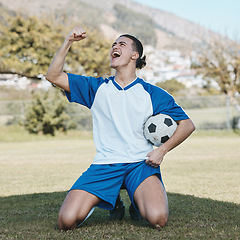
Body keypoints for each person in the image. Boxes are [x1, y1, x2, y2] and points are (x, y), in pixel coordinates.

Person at [45, 25, 195, 231]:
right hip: (105, 165)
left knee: (158, 219)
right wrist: (68, 42)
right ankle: (113, 200)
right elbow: (53, 76)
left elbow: (187, 125)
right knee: (66, 221)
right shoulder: (95, 88)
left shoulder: (153, 93)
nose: (114, 47)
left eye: (121, 44)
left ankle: (136, 202)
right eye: (113, 44)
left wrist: (162, 150)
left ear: (135, 55)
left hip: (140, 164)